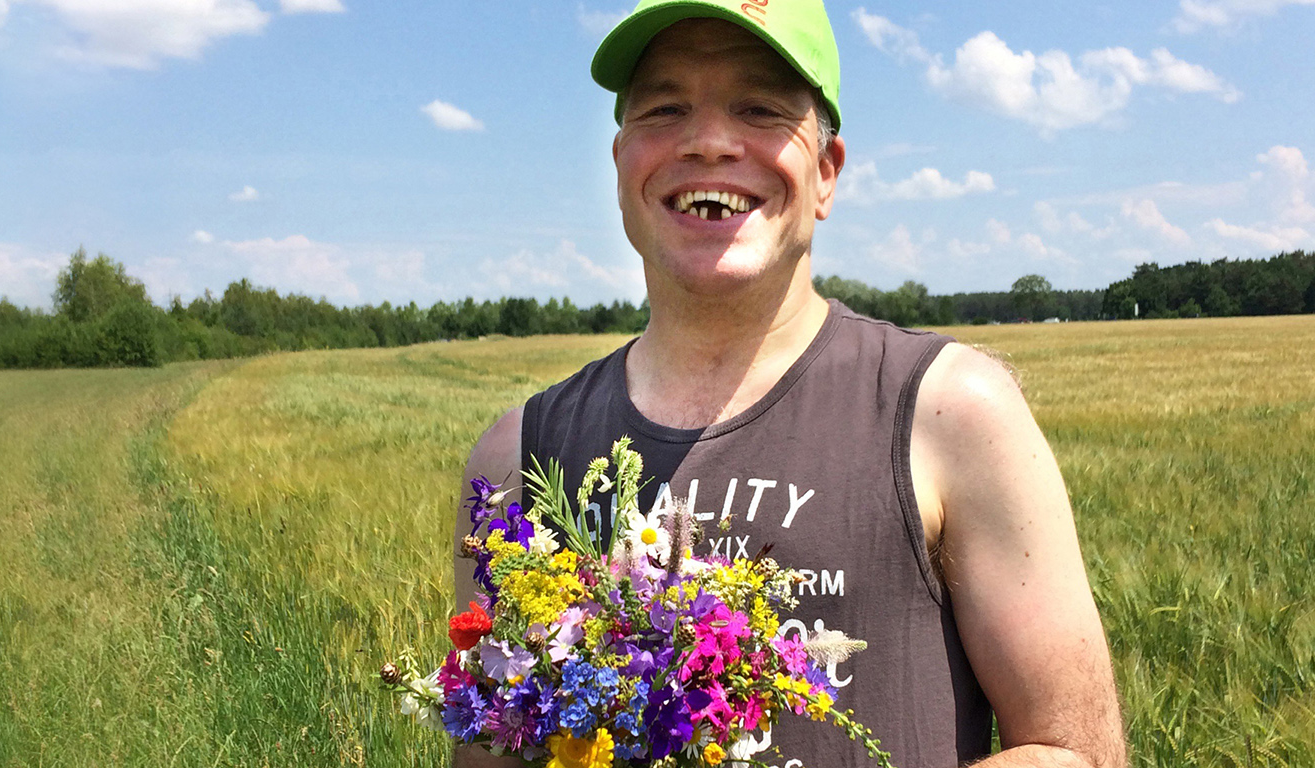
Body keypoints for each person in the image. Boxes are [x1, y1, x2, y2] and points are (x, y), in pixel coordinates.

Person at [452, 1, 1126, 766]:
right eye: (666, 107)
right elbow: (488, 750)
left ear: (826, 174)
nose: (708, 140)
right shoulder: (518, 457)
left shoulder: (951, 412)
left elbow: (1076, 752)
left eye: (761, 108)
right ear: (620, 167)